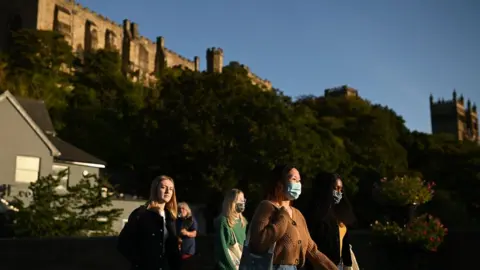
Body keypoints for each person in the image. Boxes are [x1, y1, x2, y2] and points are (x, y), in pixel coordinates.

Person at [248, 164, 338, 270]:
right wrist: (283, 216)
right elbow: (259, 243)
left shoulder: (297, 215)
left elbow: (312, 250)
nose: (298, 184)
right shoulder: (267, 207)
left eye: (299, 181)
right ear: (280, 183)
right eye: (293, 179)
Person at [117, 175, 180, 270]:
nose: (168, 192)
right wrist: (141, 262)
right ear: (155, 189)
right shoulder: (141, 214)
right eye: (163, 187)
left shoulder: (171, 218)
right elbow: (123, 243)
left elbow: (172, 250)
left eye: (171, 189)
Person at [305, 172, 357, 270]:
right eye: (336, 188)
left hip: (339, 265)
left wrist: (348, 265)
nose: (339, 193)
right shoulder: (314, 215)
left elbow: (345, 243)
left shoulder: (340, 213)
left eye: (341, 189)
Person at [214, 189, 248, 270]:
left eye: (243, 200)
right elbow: (222, 250)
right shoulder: (223, 221)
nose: (243, 202)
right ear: (231, 202)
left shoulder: (243, 221)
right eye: (240, 200)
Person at [176, 202, 198, 268]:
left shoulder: (191, 220)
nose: (181, 210)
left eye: (183, 208)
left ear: (187, 210)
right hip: (178, 251)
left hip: (188, 251)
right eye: (180, 209)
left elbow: (194, 234)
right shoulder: (177, 220)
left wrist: (187, 233)